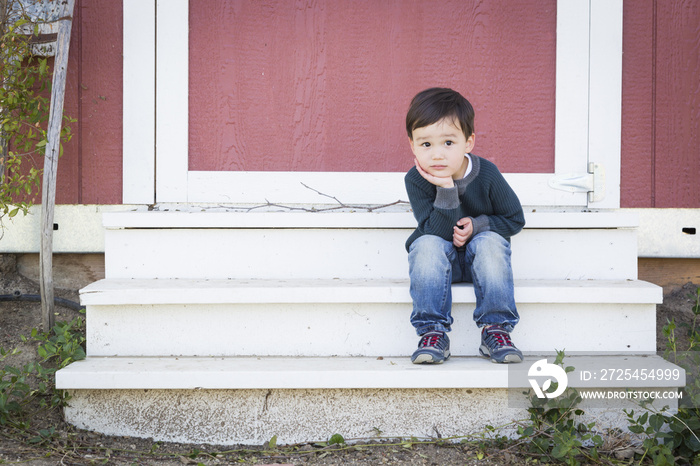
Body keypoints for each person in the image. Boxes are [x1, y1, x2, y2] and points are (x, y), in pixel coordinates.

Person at [404, 87, 525, 364]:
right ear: (412, 145)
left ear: (468, 142)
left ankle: (496, 329)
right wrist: (446, 189)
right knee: (425, 244)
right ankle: (433, 332)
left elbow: (515, 218)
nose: (437, 155)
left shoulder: (487, 174)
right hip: (438, 262)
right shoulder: (416, 179)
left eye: (448, 143)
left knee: (491, 240)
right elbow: (432, 230)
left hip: (481, 263)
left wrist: (479, 225)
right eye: (426, 145)